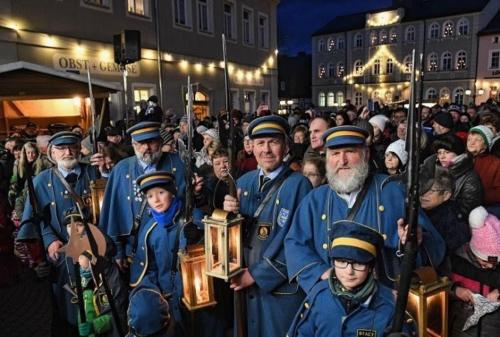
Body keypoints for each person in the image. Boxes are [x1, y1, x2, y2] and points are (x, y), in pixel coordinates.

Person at [285, 125, 445, 292]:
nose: (342, 161)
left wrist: (415, 240)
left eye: (350, 152)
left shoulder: (392, 191)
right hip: (332, 298)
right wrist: (322, 273)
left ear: (366, 154)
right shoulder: (315, 200)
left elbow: (435, 247)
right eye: (335, 154)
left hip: (385, 301)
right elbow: (295, 244)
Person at [223, 115, 313, 337]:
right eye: (260, 143)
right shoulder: (243, 183)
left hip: (279, 292)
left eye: (273, 142)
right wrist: (225, 216)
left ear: (285, 146)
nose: (266, 150)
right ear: (252, 147)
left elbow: (298, 243)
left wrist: (255, 275)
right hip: (243, 287)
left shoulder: (299, 185)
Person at [17, 131, 100, 336]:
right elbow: (37, 219)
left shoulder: (94, 173)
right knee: (67, 308)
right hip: (62, 255)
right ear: (51, 153)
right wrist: (50, 240)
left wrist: (106, 172)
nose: (67, 152)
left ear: (80, 149)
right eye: (61, 149)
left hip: (96, 250)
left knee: (99, 302)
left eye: (72, 146)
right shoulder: (40, 182)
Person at [98, 121, 188, 272]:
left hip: (172, 247)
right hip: (134, 251)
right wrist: (118, 252)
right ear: (133, 144)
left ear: (160, 141)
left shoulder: (178, 163)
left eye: (151, 142)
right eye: (141, 143)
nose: (146, 148)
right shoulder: (122, 169)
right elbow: (114, 212)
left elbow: (189, 203)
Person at [287, 222, 396, 337]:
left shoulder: (388, 304)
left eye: (358, 263)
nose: (349, 271)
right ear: (333, 262)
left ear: (370, 267)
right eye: (342, 262)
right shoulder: (318, 296)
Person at [129, 171, 185, 336]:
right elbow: (148, 268)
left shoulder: (190, 222)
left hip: (192, 297)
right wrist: (155, 298)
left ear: (172, 192)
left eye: (161, 192)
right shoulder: (149, 230)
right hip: (165, 300)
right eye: (150, 196)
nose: (156, 200)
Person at [449, 206, 500, 337]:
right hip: (460, 326)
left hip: (492, 328)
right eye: (485, 261)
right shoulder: (457, 261)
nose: (490, 266)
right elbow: (438, 284)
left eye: (495, 263)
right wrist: (455, 290)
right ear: (475, 251)